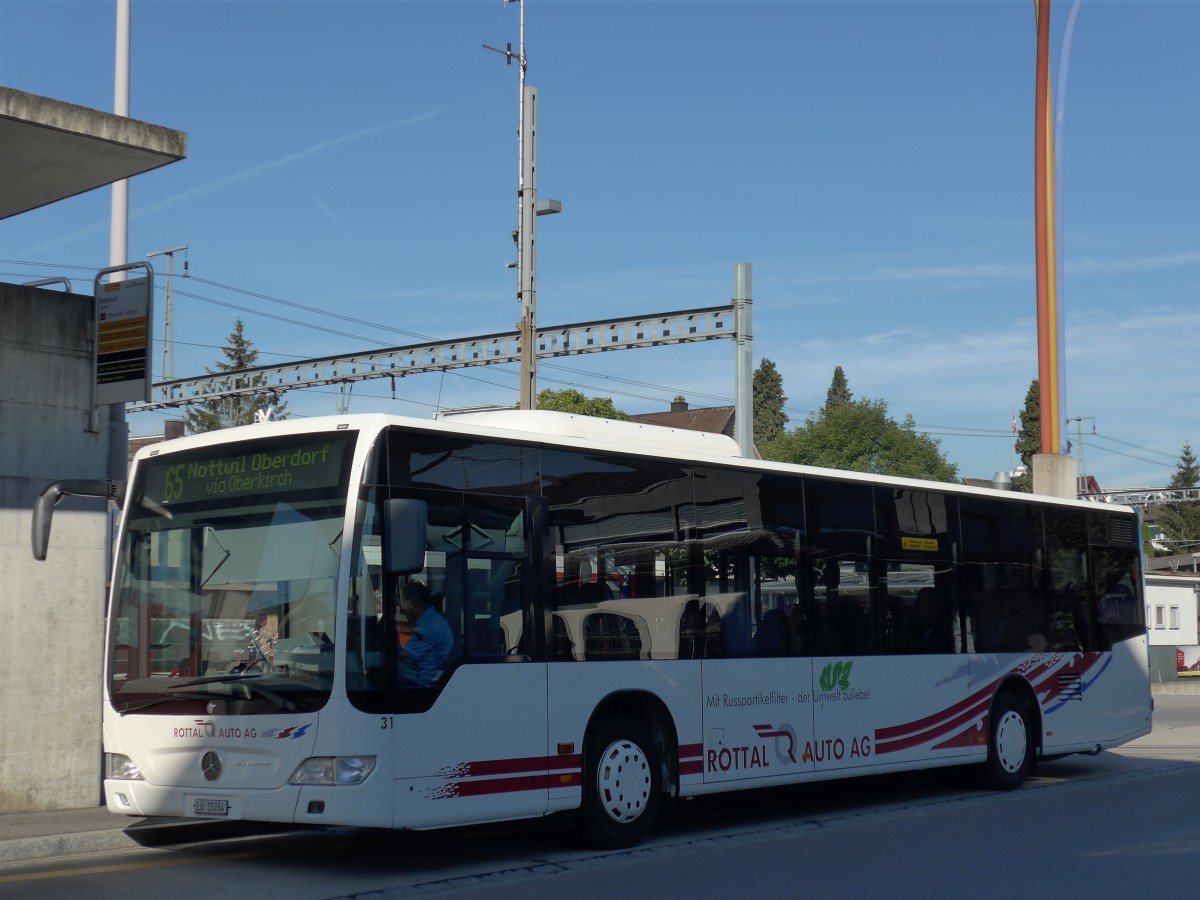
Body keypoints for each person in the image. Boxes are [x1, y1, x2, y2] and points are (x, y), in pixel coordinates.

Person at [396, 580, 455, 687]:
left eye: (403, 604)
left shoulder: (430, 627)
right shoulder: (432, 620)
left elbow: (403, 656)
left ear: (412, 604)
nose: (402, 609)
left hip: (423, 686)